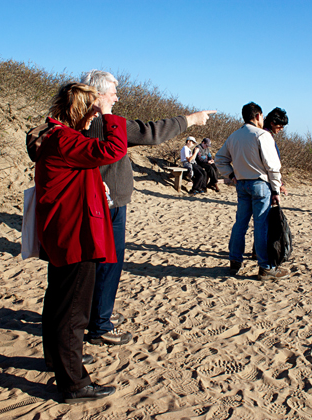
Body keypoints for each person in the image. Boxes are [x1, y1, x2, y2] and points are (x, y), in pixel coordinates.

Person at [80, 70, 215, 346]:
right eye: (112, 93)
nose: (116, 98)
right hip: (107, 203)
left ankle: (97, 315)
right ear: (98, 95)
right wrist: (190, 119)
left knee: (96, 264)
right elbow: (151, 132)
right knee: (108, 264)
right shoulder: (104, 123)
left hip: (96, 201)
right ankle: (100, 325)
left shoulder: (80, 121)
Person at [33, 83, 126, 402]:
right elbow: (113, 150)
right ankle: (73, 382)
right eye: (92, 111)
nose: (94, 118)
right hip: (75, 234)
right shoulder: (65, 140)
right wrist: (110, 116)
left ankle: (58, 359)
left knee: (58, 302)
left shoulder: (55, 136)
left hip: (61, 232)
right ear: (81, 110)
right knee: (74, 310)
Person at [216, 102, 290, 281]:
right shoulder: (263, 135)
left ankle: (235, 261)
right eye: (262, 116)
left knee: (240, 224)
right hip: (260, 184)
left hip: (241, 184)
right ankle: (265, 268)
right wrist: (276, 189)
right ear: (258, 116)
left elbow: (219, 159)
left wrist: (231, 175)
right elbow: (272, 166)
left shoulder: (234, 136)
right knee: (261, 225)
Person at [263, 107, 288, 195]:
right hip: (264, 181)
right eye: (280, 126)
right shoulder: (265, 137)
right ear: (272, 123)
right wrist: (278, 184)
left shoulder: (264, 134)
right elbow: (271, 164)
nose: (281, 129)